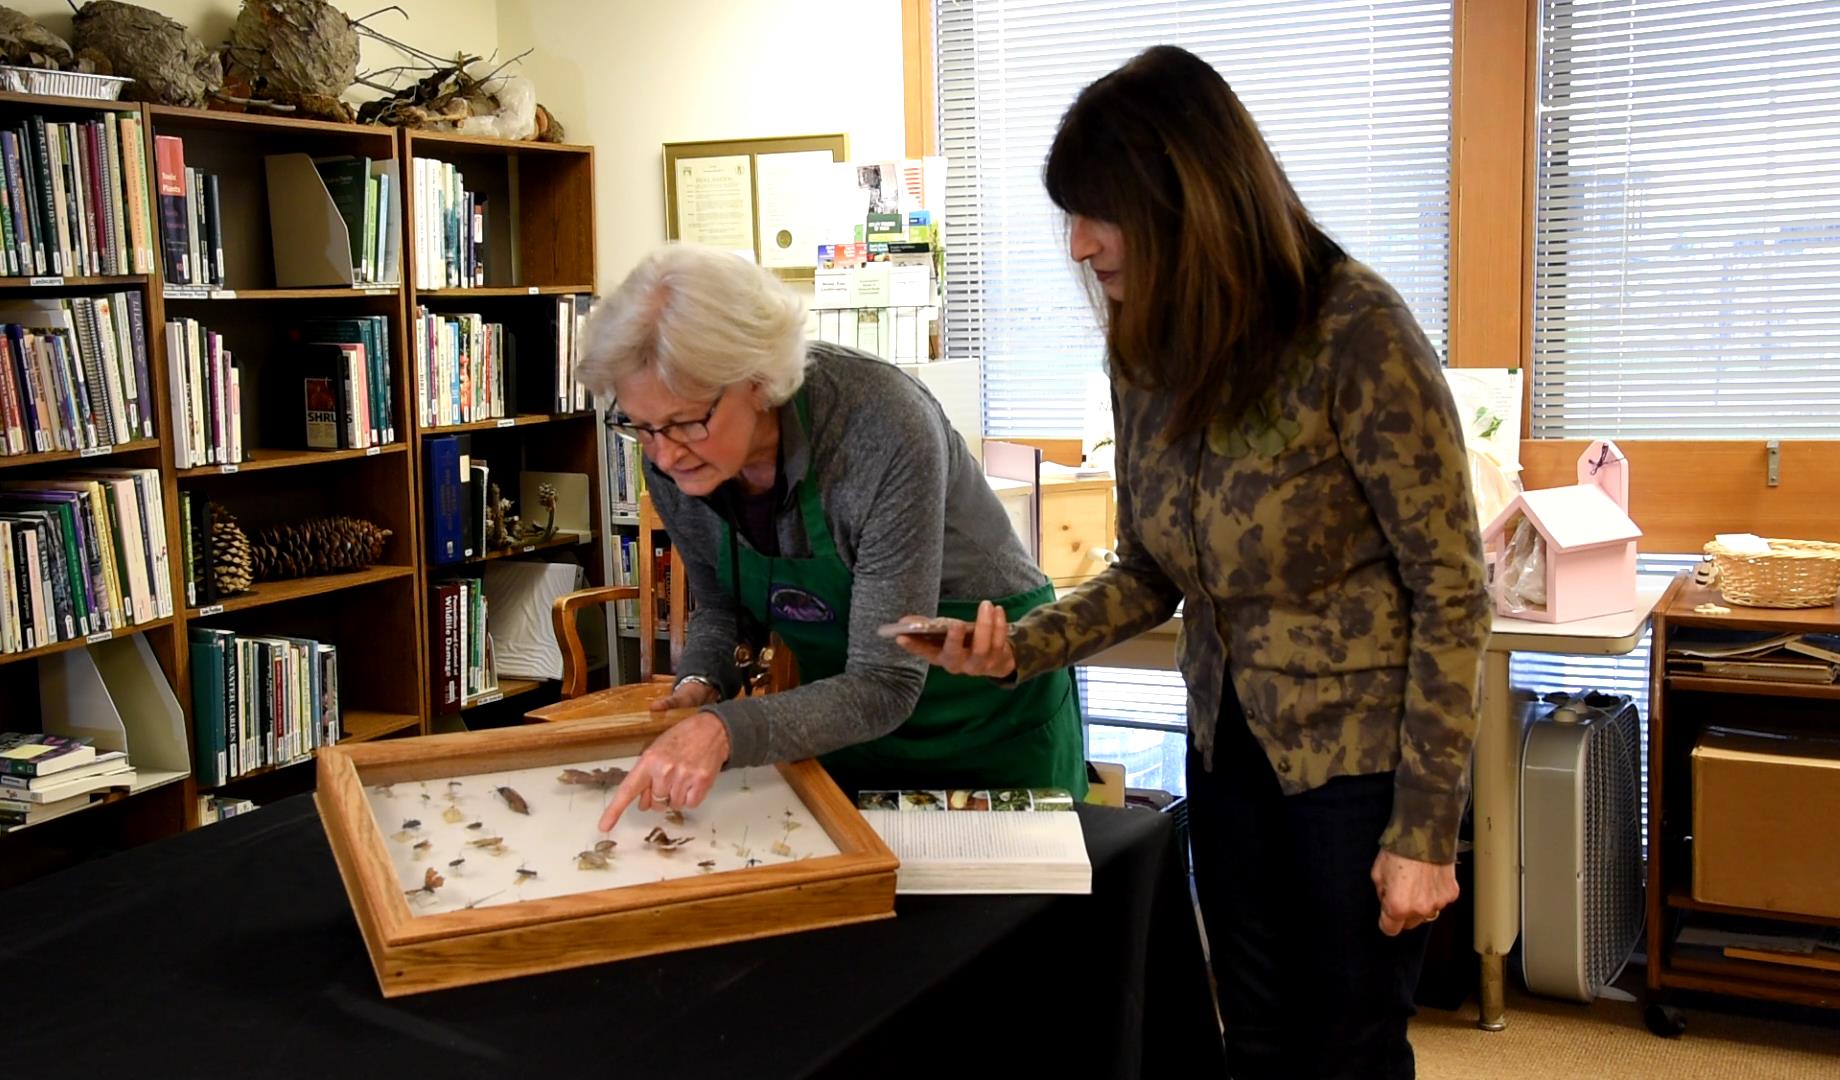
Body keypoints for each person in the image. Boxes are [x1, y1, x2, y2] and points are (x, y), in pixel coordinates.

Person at [896, 45, 1490, 1079]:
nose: (1078, 245)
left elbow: (1451, 589)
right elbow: (1149, 570)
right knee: (1254, 1038)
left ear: (1188, 198)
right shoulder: (1147, 349)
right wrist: (1017, 647)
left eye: (1095, 212)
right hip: (1228, 752)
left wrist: (1427, 830)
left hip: (1358, 768)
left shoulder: (1356, 331)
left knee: (1345, 1048)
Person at [577, 244, 1086, 832]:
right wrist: (699, 683)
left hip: (984, 717)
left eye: (688, 422)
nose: (664, 454)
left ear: (758, 381)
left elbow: (887, 682)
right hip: (852, 722)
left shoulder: (882, 425)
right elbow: (724, 608)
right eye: (641, 427)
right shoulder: (672, 456)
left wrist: (724, 731)